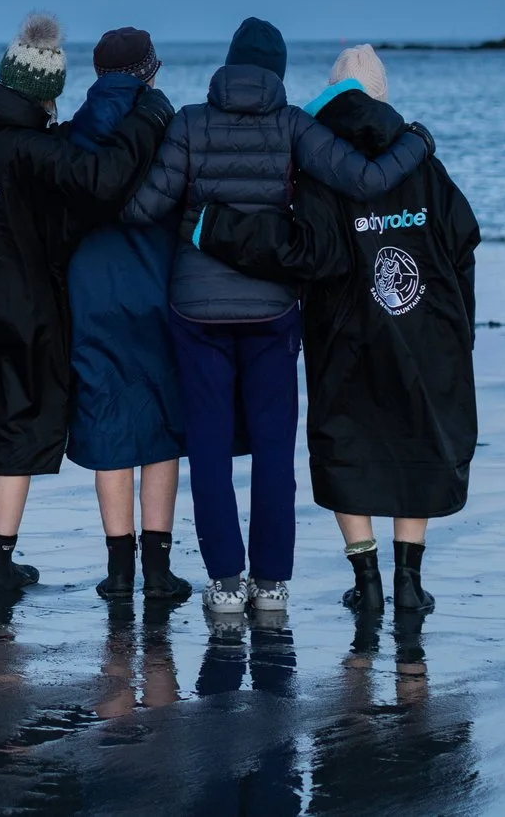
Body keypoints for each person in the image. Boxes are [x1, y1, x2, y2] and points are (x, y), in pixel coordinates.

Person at [122, 17, 433, 620]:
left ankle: (225, 585)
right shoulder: (294, 125)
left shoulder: (188, 121)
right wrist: (416, 143)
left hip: (196, 309)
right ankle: (271, 586)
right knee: (272, 449)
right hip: (271, 308)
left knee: (208, 449)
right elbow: (365, 181)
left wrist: (190, 215)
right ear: (278, 74)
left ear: (230, 64)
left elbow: (142, 208)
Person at [191, 46, 480, 615]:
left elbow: (307, 251)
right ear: (381, 97)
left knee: (347, 443)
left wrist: (215, 225)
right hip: (425, 330)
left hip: (345, 332)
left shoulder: (321, 160)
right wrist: (460, 324)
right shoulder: (423, 161)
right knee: (418, 439)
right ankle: (409, 581)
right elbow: (463, 238)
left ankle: (367, 578)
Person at [0, 14, 172, 595]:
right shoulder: (34, 149)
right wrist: (148, 121)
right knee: (14, 435)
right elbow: (102, 181)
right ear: (48, 94)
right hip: (17, 315)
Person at [61, 27, 196, 604]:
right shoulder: (164, 127)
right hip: (155, 287)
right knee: (159, 425)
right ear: (148, 71)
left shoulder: (72, 133)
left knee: (107, 423)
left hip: (90, 293)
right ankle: (159, 571)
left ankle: (119, 569)